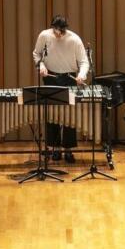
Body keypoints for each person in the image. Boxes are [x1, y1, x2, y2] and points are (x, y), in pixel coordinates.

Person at [31, 15, 89, 163]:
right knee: (52, 115)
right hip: (50, 77)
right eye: (56, 31)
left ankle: (68, 150)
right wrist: (41, 65)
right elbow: (36, 54)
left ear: (65, 29)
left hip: (68, 78)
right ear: (52, 28)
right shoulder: (44, 36)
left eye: (61, 32)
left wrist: (82, 75)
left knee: (68, 116)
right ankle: (55, 148)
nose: (58, 34)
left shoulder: (74, 39)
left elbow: (84, 61)